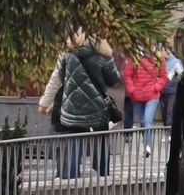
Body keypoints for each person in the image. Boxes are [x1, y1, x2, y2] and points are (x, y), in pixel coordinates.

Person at [38, 32, 122, 179]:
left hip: (71, 108)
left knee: (72, 141)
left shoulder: (66, 55)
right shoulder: (104, 55)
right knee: (101, 140)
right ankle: (103, 176)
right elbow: (114, 80)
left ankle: (70, 179)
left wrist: (44, 104)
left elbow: (56, 81)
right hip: (97, 108)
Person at [121, 48, 169, 156]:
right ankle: (146, 141)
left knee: (148, 119)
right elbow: (127, 75)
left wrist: (157, 87)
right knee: (142, 122)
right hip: (137, 95)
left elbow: (163, 76)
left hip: (152, 95)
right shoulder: (134, 56)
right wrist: (132, 90)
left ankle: (147, 146)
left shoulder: (158, 57)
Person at [161, 50, 184, 129]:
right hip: (161, 90)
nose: (161, 52)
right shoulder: (160, 61)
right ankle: (166, 129)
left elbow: (182, 75)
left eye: (163, 51)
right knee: (164, 112)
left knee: (169, 112)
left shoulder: (176, 62)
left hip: (172, 91)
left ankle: (169, 131)